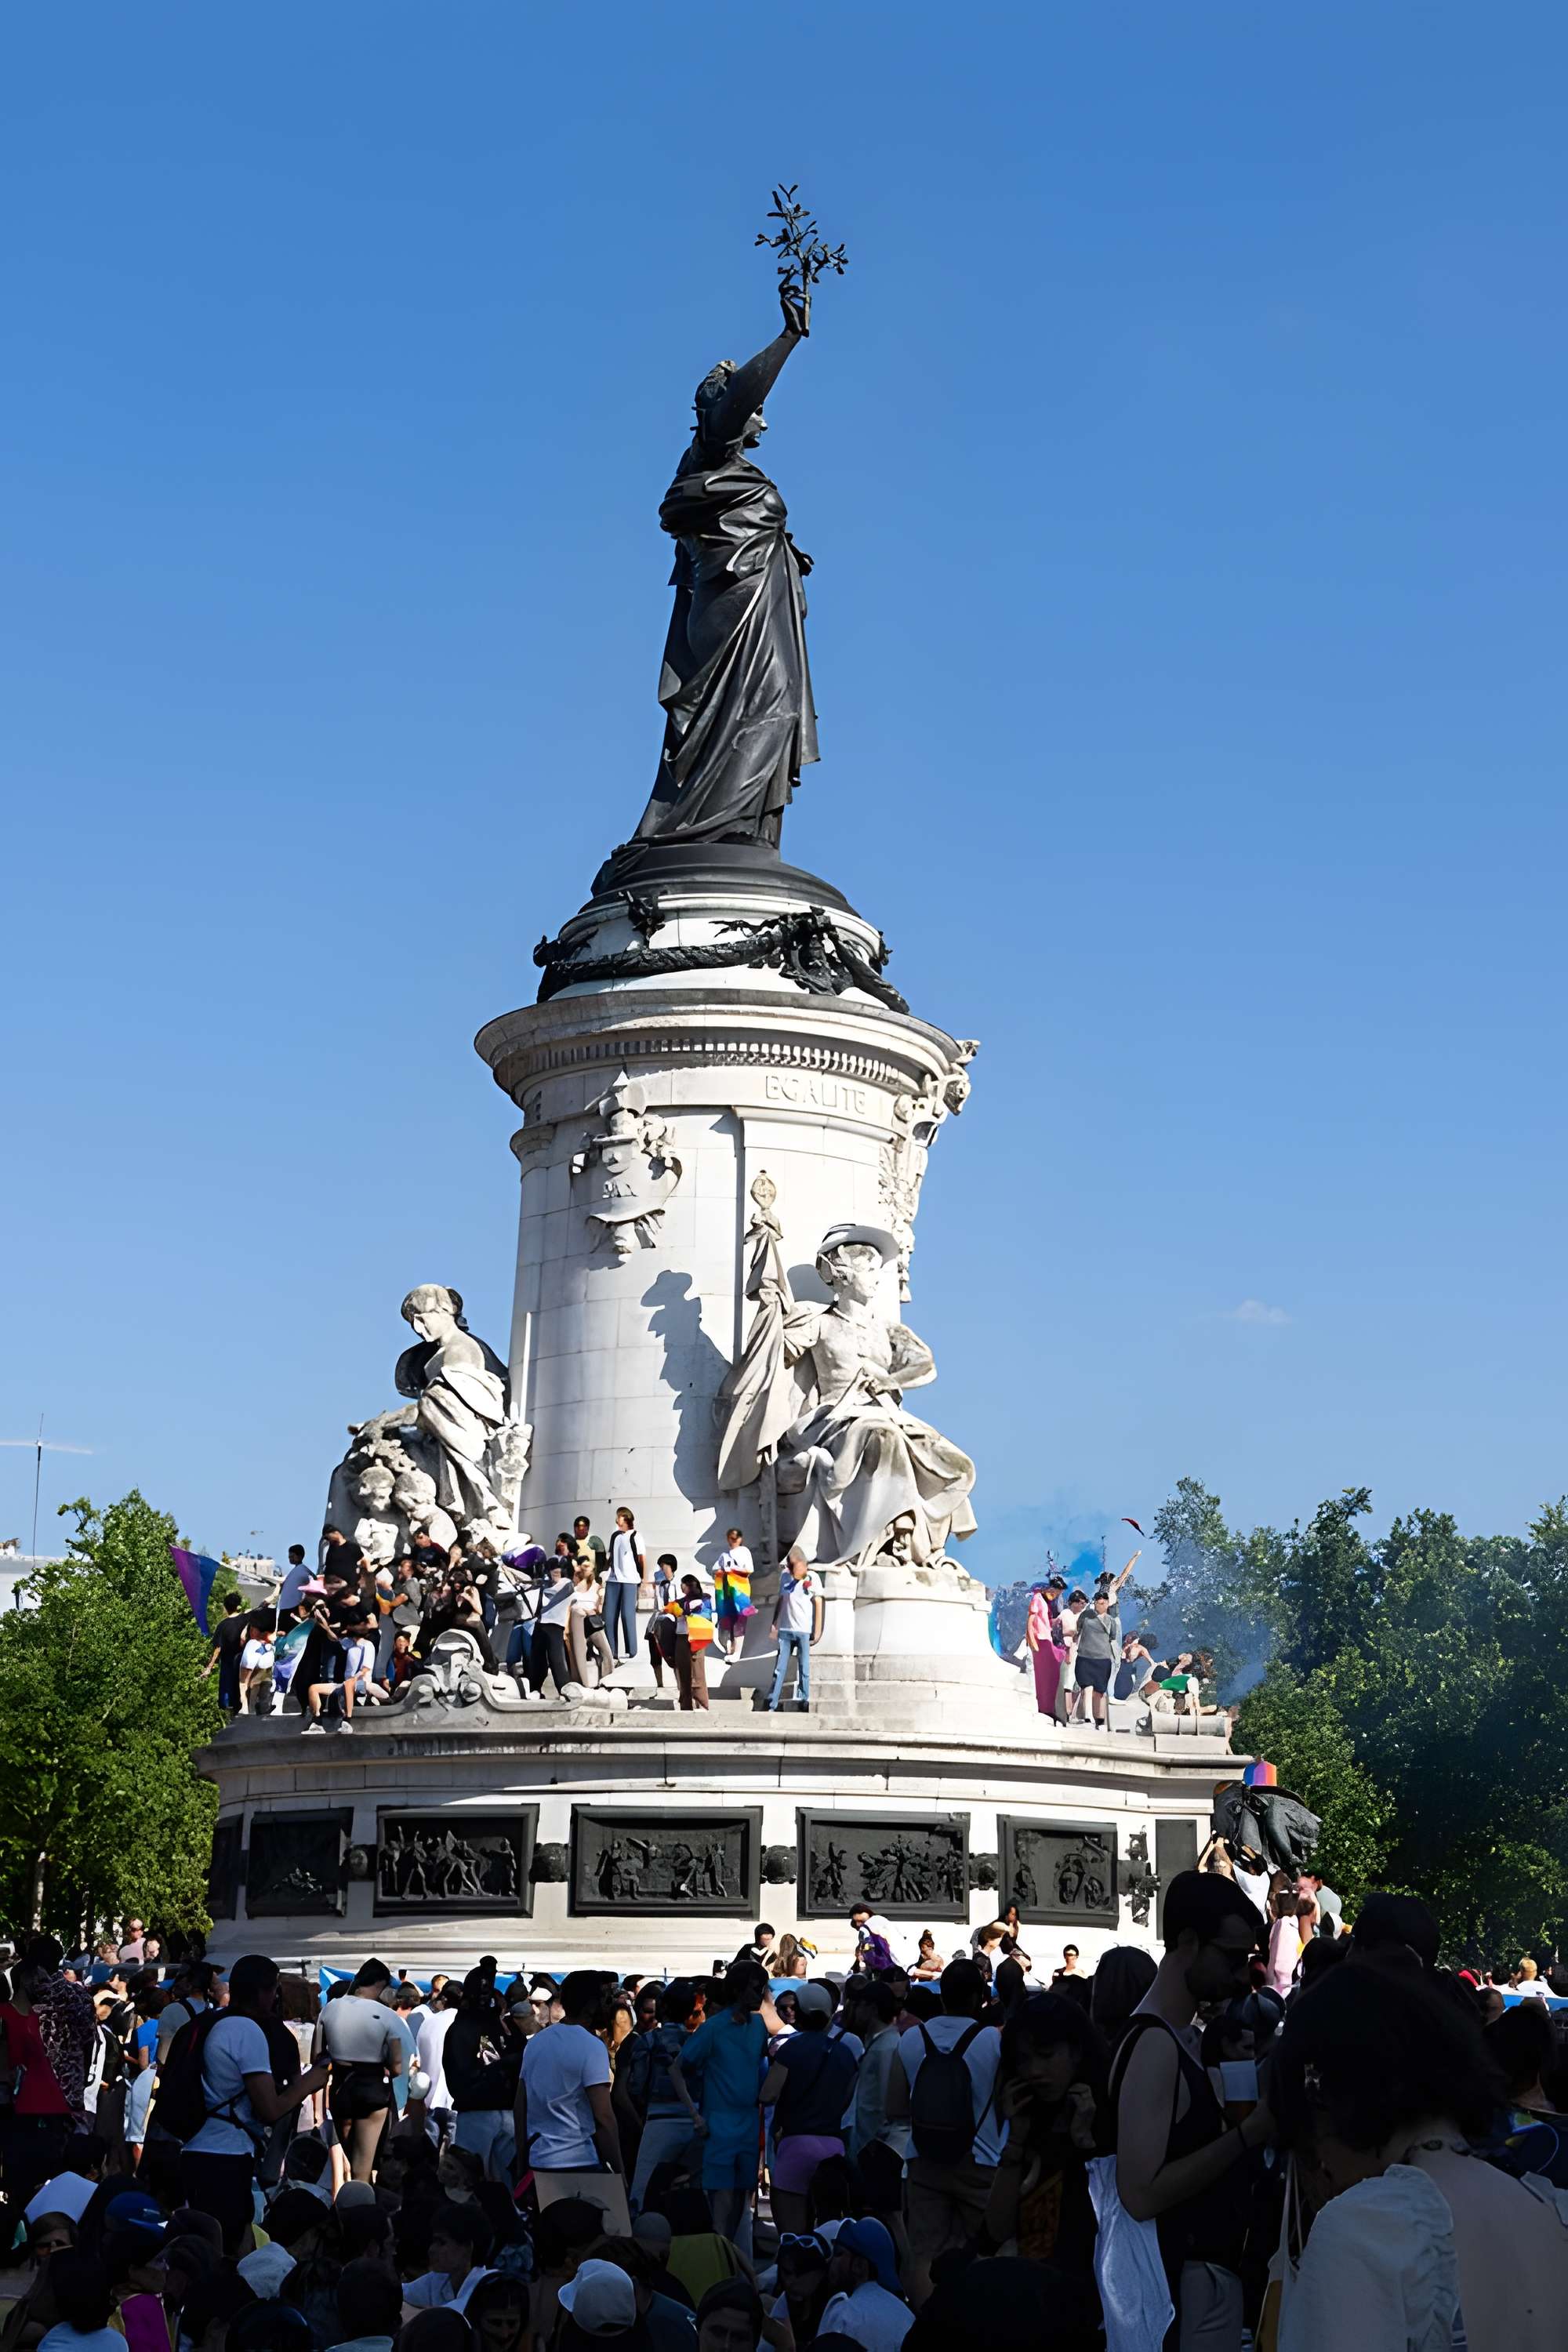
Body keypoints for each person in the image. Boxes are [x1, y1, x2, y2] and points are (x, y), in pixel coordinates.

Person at [1271, 1961, 1568, 2350]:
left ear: (1329, 2105)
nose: (1322, 2174)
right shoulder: (1551, 2209)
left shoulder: (1365, 2231)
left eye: (1309, 2150)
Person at [1112, 1871, 1271, 2349]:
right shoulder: (1155, 2044)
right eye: (1231, 1956)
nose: (1242, 1974)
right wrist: (1245, 2136)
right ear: (1187, 1941)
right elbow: (1139, 2194)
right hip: (1176, 2295)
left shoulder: (1176, 2039)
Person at [179, 1954, 328, 2251]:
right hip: (226, 2155)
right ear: (264, 1992)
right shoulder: (247, 2031)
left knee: (203, 2246)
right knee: (228, 2248)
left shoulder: (211, 2023)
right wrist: (311, 2082)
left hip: (196, 2147)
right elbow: (270, 2108)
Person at [886, 1958, 1002, 2306]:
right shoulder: (992, 2041)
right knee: (987, 2247)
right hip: (981, 2159)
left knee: (925, 2251)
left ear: (942, 1995)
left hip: (924, 2159)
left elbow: (894, 2107)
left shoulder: (911, 2039)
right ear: (979, 1997)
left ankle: (930, 2327)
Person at [669, 1962, 771, 2245]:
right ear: (738, 1989)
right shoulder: (713, 2028)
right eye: (755, 1988)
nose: (760, 1994)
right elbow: (676, 2069)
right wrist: (695, 2115)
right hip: (720, 2122)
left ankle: (730, 2261)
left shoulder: (759, 2026)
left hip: (748, 2121)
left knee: (742, 2197)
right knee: (722, 2201)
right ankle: (721, 2262)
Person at [759, 1982, 858, 2234]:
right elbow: (848, 2098)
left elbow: (769, 2094)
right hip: (833, 2145)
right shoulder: (846, 2052)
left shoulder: (791, 2049)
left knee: (792, 2235)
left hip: (796, 2143)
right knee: (829, 2231)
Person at [515, 1972, 622, 2182]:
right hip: (580, 2162)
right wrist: (619, 2172)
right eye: (604, 1999)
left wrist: (521, 2164)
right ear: (591, 2006)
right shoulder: (592, 2046)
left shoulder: (536, 2043)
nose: (608, 2005)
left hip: (540, 2162)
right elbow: (604, 2117)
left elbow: (520, 2107)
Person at [314, 1959, 403, 2183]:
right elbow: (397, 2067)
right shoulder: (387, 2015)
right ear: (380, 1983)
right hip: (372, 2089)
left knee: (351, 2159)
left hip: (341, 2088)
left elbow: (317, 2056)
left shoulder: (330, 2007)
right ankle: (364, 2209)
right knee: (362, 2169)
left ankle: (352, 2206)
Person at [625, 1984, 697, 2213]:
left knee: (643, 2189)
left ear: (662, 2007)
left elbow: (636, 2086)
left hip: (659, 2119)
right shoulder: (696, 2042)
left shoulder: (647, 2041)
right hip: (695, 2119)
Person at [816, 2216, 911, 2352]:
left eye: (838, 2254)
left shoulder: (844, 2312)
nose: (830, 2261)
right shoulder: (906, 2315)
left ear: (859, 2266)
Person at [765, 1552, 822, 1713]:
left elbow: (818, 1602)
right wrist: (775, 1623)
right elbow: (782, 1600)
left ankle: (804, 1699)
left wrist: (817, 1632)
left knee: (804, 1667)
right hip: (786, 1629)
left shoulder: (812, 1578)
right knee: (780, 1668)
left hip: (803, 1629)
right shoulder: (785, 1577)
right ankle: (772, 1702)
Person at [523, 1548, 575, 1700]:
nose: (555, 1571)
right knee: (536, 1659)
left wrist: (537, 1591)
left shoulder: (567, 1584)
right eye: (552, 1568)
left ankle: (565, 1691)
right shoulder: (545, 1583)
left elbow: (552, 1598)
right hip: (540, 1624)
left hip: (555, 1626)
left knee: (557, 1659)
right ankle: (535, 1689)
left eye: (558, 1569)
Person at [1067, 1592, 1116, 1729]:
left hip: (1103, 1659)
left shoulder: (1111, 1621)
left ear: (1107, 1604)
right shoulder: (1086, 1615)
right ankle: (1088, 1716)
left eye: (1103, 1603)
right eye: (1098, 1603)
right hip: (1085, 1657)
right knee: (1087, 1686)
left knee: (1099, 1692)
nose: (1100, 1605)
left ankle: (1099, 1719)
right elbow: (1078, 1630)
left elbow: (1112, 1638)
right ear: (1094, 1603)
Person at [604, 1509, 648, 1663]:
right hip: (613, 1579)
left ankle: (632, 1650)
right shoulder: (615, 1536)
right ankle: (611, 1651)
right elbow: (611, 1557)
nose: (617, 1520)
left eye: (619, 1517)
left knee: (627, 1615)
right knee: (609, 1616)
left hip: (630, 1579)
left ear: (626, 1518)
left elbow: (642, 1559)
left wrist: (643, 1579)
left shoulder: (636, 1536)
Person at [1024, 1576, 1067, 1719]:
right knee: (1044, 1675)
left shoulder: (1045, 1602)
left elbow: (1045, 1622)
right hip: (1040, 1640)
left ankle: (1048, 1707)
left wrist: (1056, 1621)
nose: (1056, 1596)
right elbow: (1031, 1620)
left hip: (1046, 1639)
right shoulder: (1037, 1599)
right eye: (1056, 1593)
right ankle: (1044, 1707)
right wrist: (1032, 1641)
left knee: (1051, 1674)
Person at [671, 1577, 714, 1713]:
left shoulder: (705, 1600)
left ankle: (701, 1704)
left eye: (682, 1584)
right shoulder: (679, 1602)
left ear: (687, 1586)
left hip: (696, 1637)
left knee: (697, 1673)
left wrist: (687, 1612)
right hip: (683, 1637)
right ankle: (687, 1706)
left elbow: (707, 1615)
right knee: (684, 1674)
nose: (681, 1587)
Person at [200, 1596, 249, 1716]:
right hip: (245, 1661)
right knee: (241, 1690)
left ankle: (228, 1716)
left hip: (228, 1664)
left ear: (225, 1607)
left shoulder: (222, 1625)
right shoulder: (246, 1619)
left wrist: (209, 1667)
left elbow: (218, 1648)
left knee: (226, 1697)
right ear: (238, 1606)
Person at [712, 1532, 754, 1660]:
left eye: (735, 1538)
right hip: (726, 1590)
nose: (733, 1541)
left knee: (739, 1621)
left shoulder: (744, 1551)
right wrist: (723, 1570)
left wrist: (733, 1570)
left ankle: (737, 1652)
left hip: (739, 1590)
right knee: (727, 1619)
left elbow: (749, 1569)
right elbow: (715, 1568)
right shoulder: (724, 1555)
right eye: (731, 1538)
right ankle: (730, 1646)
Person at [237, 1616, 275, 1715]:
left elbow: (242, 1639)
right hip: (266, 1656)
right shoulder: (269, 1635)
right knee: (264, 1683)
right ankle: (260, 1707)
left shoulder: (253, 1641)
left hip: (255, 1656)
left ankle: (249, 1708)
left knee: (246, 1684)